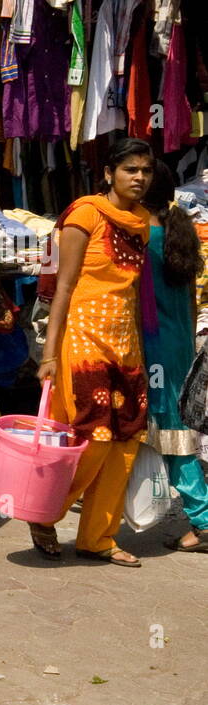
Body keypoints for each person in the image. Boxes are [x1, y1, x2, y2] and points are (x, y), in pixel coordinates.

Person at [28, 140, 155, 567]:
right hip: (83, 339)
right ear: (108, 174)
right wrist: (48, 353)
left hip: (125, 345)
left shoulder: (141, 221)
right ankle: (45, 513)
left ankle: (98, 538)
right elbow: (63, 287)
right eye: (130, 170)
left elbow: (133, 292)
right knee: (95, 437)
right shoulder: (87, 214)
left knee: (127, 440)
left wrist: (140, 346)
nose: (139, 177)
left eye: (146, 171)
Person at [142, 162, 208, 553]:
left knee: (173, 436)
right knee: (175, 429)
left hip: (156, 348)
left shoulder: (143, 236)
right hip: (178, 343)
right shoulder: (177, 229)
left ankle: (203, 518)